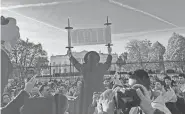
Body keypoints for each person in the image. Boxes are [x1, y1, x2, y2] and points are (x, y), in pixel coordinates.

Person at [67, 47, 112, 114]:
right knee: (101, 108)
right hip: (100, 91)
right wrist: (109, 53)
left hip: (86, 93)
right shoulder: (101, 67)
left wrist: (70, 56)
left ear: (86, 59)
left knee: (85, 109)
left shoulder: (84, 67)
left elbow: (76, 64)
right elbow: (108, 63)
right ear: (97, 59)